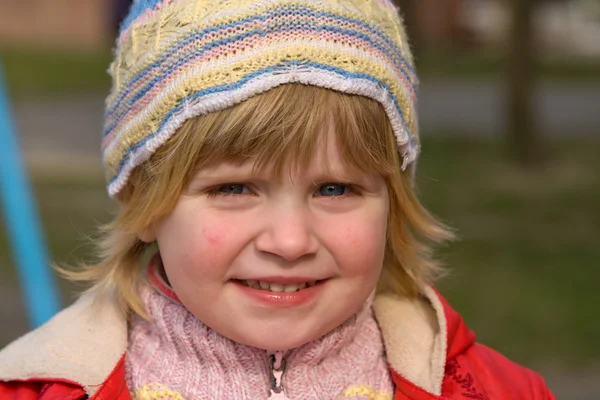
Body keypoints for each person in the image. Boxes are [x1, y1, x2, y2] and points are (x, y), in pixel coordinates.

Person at [0, 0, 555, 399]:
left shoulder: (497, 391)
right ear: (147, 202)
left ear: (392, 201)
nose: (290, 242)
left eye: (334, 188)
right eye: (234, 188)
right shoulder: (38, 387)